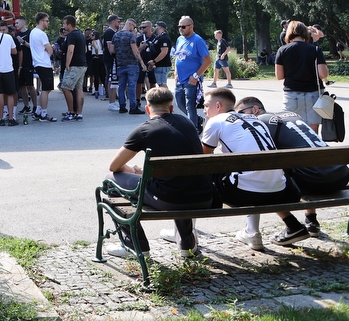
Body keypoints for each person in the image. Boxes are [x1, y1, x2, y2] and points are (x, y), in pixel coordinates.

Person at [104, 86, 212, 260]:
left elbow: (114, 166)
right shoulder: (187, 123)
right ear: (171, 108)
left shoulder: (144, 130)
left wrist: (134, 171)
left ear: (148, 109)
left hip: (170, 200)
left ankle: (135, 245)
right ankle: (187, 245)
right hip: (204, 196)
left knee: (110, 181)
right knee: (180, 180)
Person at [200, 87, 310, 249]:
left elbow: (204, 159)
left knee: (205, 173)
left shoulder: (215, 121)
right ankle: (289, 225)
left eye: (206, 106)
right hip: (281, 190)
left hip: (245, 194)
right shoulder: (255, 119)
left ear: (217, 106)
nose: (204, 111)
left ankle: (186, 236)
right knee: (253, 173)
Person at [239, 96, 349, 237]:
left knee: (267, 179)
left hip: (316, 181)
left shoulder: (260, 122)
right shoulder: (289, 117)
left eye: (241, 113)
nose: (239, 117)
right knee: (307, 163)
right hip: (340, 175)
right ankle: (311, 220)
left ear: (255, 109)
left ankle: (291, 226)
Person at [275, 20, 328, 132]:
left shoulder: (282, 50)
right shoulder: (315, 49)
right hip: (313, 94)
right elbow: (323, 74)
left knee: (293, 130)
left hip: (292, 93)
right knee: (313, 131)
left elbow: (279, 76)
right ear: (305, 33)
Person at [172, 16, 211, 130]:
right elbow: (178, 58)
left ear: (191, 26)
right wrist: (176, 73)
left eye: (183, 26)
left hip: (191, 79)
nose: (181, 29)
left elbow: (207, 61)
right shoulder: (180, 39)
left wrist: (195, 76)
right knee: (179, 103)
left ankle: (193, 129)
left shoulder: (197, 40)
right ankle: (197, 119)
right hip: (180, 78)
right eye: (179, 26)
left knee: (190, 105)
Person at [112, 19, 146, 114]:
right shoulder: (130, 35)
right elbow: (135, 51)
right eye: (134, 27)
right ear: (130, 25)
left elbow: (112, 50)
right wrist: (142, 63)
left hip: (120, 64)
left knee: (121, 86)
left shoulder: (116, 35)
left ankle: (122, 106)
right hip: (131, 64)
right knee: (132, 86)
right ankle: (133, 107)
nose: (134, 29)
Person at [29, 12, 57, 122]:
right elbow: (50, 50)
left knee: (44, 89)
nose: (48, 23)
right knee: (46, 89)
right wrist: (50, 48)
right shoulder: (41, 34)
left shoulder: (33, 32)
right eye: (47, 20)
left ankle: (38, 111)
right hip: (44, 63)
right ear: (41, 21)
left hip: (37, 62)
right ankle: (43, 114)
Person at [59, 15, 87, 121]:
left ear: (69, 25)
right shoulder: (80, 34)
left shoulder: (71, 35)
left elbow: (70, 50)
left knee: (65, 87)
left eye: (64, 24)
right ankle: (79, 113)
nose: (63, 26)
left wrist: (67, 64)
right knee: (78, 88)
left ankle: (71, 112)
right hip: (82, 64)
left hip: (74, 65)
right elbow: (84, 50)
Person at [101, 15, 121, 110]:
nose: (119, 23)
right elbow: (110, 47)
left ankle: (113, 101)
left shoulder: (113, 32)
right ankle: (111, 102)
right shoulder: (109, 32)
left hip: (113, 59)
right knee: (111, 80)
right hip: (111, 59)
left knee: (114, 80)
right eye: (118, 21)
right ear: (113, 21)